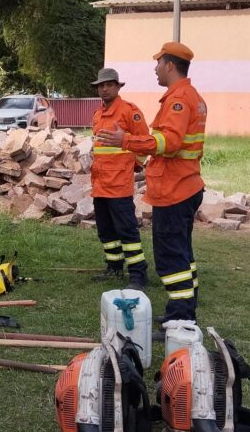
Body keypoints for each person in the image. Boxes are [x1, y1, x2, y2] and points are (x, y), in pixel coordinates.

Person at [97, 41, 207, 322]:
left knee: (172, 258)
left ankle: (180, 319)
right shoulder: (187, 96)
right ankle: (186, 308)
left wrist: (127, 141)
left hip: (175, 189)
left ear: (170, 65)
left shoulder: (179, 100)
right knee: (183, 253)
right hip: (183, 185)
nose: (155, 69)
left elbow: (168, 142)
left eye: (158, 63)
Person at [89, 68, 151, 289]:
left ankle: (138, 274)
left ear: (117, 86)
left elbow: (145, 140)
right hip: (100, 184)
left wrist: (137, 164)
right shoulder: (98, 114)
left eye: (108, 85)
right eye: (101, 86)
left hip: (119, 185)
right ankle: (114, 268)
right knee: (106, 231)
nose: (104, 89)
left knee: (126, 230)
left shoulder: (128, 111)